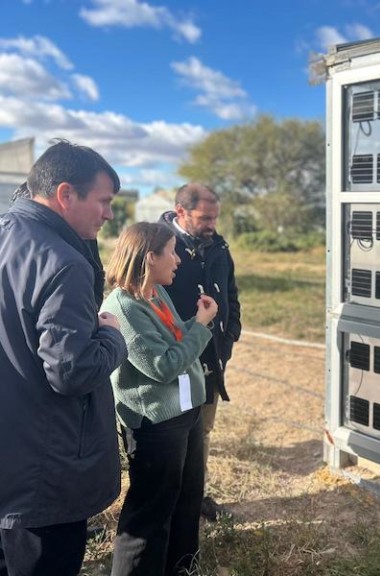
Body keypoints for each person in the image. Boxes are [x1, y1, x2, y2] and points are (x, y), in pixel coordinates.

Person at [0, 140, 128, 576]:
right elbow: (71, 370)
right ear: (66, 194)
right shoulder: (64, 262)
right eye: (104, 201)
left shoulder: (6, 233)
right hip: (46, 471)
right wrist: (113, 337)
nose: (109, 214)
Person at [101, 222, 218, 576]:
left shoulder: (152, 292)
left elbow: (173, 335)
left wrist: (194, 323)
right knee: (151, 513)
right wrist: (201, 325)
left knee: (187, 497)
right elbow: (163, 367)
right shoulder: (123, 306)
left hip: (185, 412)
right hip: (156, 422)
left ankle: (183, 568)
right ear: (150, 257)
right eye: (171, 251)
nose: (178, 259)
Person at [159, 182, 241, 521]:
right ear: (181, 212)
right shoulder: (157, 244)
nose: (212, 225)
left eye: (215, 218)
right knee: (172, 432)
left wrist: (231, 331)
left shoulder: (218, 246)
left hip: (210, 358)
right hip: (172, 359)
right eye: (205, 218)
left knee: (203, 430)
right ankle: (167, 497)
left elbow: (231, 292)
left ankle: (197, 495)